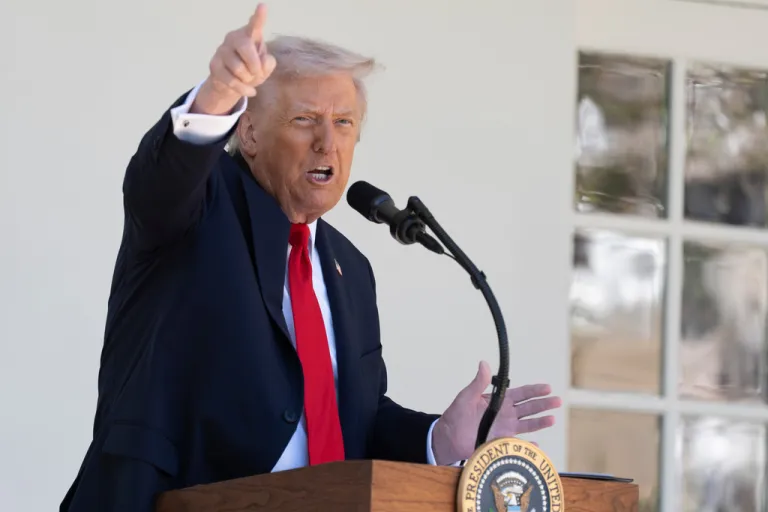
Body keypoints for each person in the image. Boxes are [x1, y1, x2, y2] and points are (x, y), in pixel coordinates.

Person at [60, 4, 562, 511]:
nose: (328, 143)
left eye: (344, 123)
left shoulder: (351, 270)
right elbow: (165, 176)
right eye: (305, 120)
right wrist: (219, 93)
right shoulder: (198, 207)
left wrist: (441, 436)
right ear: (249, 133)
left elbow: (353, 420)